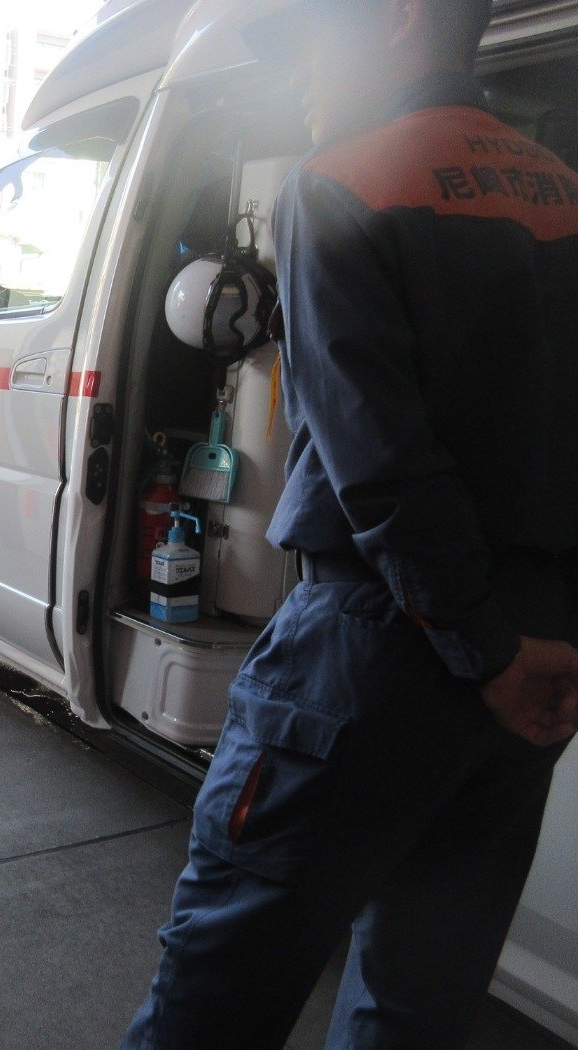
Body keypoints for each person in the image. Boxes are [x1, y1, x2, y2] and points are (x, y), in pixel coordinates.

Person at [122, 1, 578, 1046]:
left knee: (215, 993)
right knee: (416, 1006)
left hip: (376, 650)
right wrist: (535, 644)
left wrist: (482, 646)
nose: (296, 77)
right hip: (533, 660)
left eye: (309, 41)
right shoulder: (563, 191)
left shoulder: (340, 183)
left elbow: (378, 460)